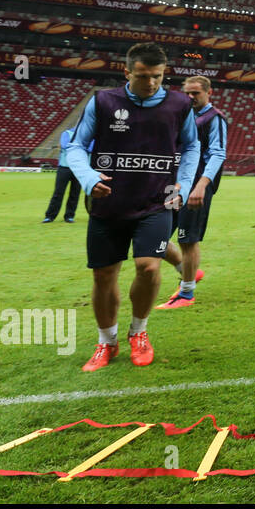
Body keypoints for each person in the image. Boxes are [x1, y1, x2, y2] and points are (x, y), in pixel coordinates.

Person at [65, 42, 200, 371]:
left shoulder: (180, 105)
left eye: (157, 76)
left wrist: (182, 182)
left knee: (149, 267)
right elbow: (76, 146)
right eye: (143, 76)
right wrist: (86, 177)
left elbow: (192, 145)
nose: (151, 83)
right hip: (108, 203)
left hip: (156, 204)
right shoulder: (103, 101)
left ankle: (138, 332)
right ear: (126, 72)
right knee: (104, 275)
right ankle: (106, 342)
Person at [157, 76, 228, 308]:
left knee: (187, 239)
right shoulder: (180, 116)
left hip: (197, 186)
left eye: (195, 93)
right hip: (174, 185)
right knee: (156, 238)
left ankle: (186, 294)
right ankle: (188, 272)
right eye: (187, 92)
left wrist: (202, 185)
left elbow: (218, 154)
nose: (190, 97)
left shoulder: (214, 118)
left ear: (208, 92)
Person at [42, 125, 87, 223]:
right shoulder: (67, 133)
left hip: (78, 168)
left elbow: (91, 148)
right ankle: (50, 216)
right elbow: (65, 145)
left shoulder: (86, 134)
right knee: (58, 192)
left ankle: (69, 216)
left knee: (75, 193)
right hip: (64, 167)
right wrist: (82, 147)